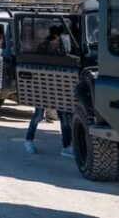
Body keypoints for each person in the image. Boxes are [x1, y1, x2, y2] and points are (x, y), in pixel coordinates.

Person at [25, 25, 73, 157]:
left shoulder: (62, 48)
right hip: (43, 87)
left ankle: (66, 146)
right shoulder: (44, 47)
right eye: (62, 35)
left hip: (58, 87)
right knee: (38, 116)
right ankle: (29, 141)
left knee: (64, 118)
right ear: (57, 36)